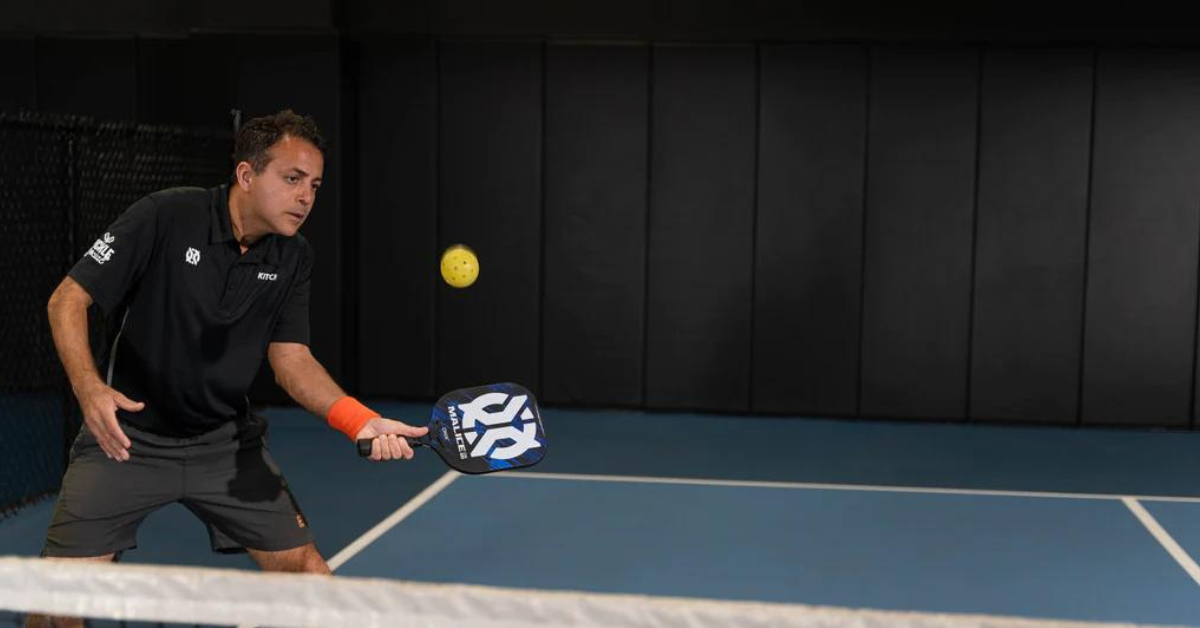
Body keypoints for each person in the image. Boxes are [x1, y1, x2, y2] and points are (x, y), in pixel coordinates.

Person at [28, 110, 421, 628]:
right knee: (57, 605)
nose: (307, 197)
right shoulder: (164, 217)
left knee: (309, 578)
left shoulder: (294, 257)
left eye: (315, 185)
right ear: (246, 175)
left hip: (225, 446)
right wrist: (89, 389)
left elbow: (291, 360)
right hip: (126, 442)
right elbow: (67, 299)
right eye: (292, 179)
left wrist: (359, 419)